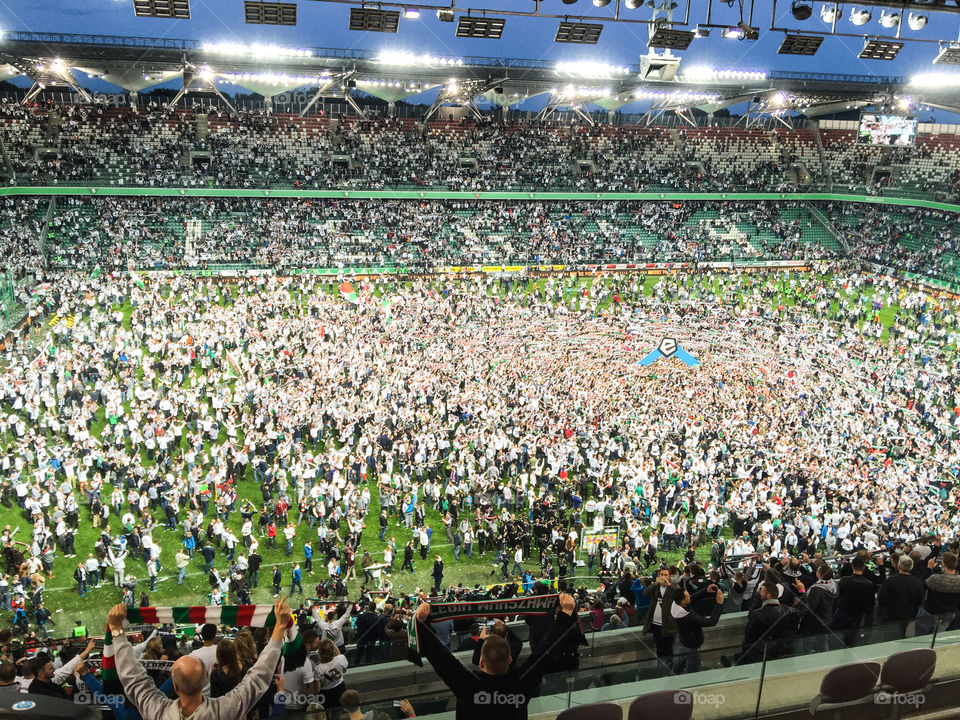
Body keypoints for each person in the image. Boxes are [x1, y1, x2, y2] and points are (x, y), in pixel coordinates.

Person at [109, 597, 291, 720]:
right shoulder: (223, 711)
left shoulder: (158, 712)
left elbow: (133, 679)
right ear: (206, 677)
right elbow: (258, 678)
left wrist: (116, 630)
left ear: (174, 686)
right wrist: (280, 627)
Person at [411, 592, 585, 720]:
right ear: (510, 660)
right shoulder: (521, 682)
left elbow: (443, 660)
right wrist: (565, 614)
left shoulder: (468, 686)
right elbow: (545, 652)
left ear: (481, 662)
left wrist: (422, 623)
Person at [672, 584, 724, 674]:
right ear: (683, 601)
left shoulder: (677, 605)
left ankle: (673, 676)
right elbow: (711, 622)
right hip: (692, 645)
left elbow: (691, 599)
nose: (690, 596)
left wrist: (705, 591)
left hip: (682, 640)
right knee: (693, 668)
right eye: (687, 596)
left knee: (681, 660)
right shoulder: (689, 617)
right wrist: (719, 603)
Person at [877, 555, 924, 637]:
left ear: (899, 566)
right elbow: (919, 600)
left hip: (891, 616)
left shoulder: (890, 581)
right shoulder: (918, 582)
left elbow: (881, 598)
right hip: (909, 615)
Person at [916, 552, 960, 635]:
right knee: (940, 637)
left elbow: (922, 585)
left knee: (920, 636)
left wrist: (929, 568)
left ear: (943, 563)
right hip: (949, 614)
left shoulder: (935, 579)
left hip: (930, 612)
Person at [642, 567, 676, 665]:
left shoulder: (673, 586)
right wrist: (655, 584)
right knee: (659, 647)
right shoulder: (656, 587)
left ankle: (669, 667)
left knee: (669, 648)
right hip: (656, 623)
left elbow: (679, 594)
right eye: (661, 575)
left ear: (669, 577)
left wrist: (669, 585)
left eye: (666, 575)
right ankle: (660, 667)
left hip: (669, 623)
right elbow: (645, 593)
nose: (663, 577)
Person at [313, 638, 349, 708]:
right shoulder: (341, 659)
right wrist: (333, 645)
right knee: (337, 712)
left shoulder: (318, 669)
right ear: (333, 650)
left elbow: (317, 689)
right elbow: (344, 671)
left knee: (325, 712)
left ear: (320, 652)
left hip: (325, 694)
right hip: (340, 689)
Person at [189, 623, 219, 695]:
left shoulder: (193, 655)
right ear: (215, 635)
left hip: (199, 695)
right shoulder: (221, 651)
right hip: (217, 694)